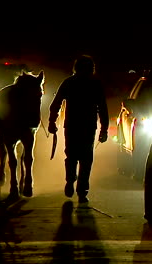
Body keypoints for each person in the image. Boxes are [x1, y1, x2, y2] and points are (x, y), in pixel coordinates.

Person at [48, 55, 109, 203]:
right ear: (91, 68)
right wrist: (104, 130)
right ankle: (82, 191)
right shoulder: (95, 84)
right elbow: (103, 109)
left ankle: (70, 181)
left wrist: (52, 121)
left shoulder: (69, 82)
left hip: (72, 125)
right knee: (86, 158)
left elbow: (55, 103)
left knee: (71, 155)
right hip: (88, 126)